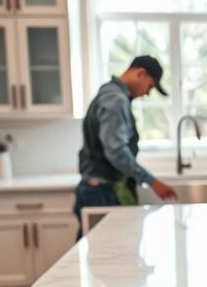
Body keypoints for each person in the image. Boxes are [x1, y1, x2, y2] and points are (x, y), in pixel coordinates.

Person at [73, 56, 177, 238]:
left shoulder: (108, 93)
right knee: (106, 256)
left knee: (96, 255)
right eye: (150, 86)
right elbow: (116, 151)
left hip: (94, 188)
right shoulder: (116, 100)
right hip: (102, 192)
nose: (147, 93)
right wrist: (151, 181)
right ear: (140, 74)